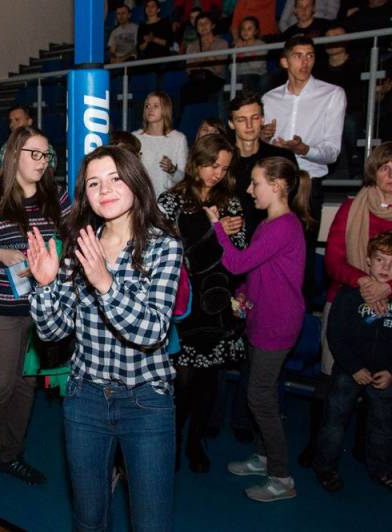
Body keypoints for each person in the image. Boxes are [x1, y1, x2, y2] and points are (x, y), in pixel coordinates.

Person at [28, 145, 182, 532]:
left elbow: (153, 331)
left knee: (151, 523)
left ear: (135, 182)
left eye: (115, 178)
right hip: (86, 398)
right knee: (88, 519)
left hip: (146, 400)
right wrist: (45, 286)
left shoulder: (163, 245)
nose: (105, 189)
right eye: (94, 183)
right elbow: (53, 331)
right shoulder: (80, 246)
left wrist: (105, 283)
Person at [205, 156, 312, 502]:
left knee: (260, 398)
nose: (250, 190)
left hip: (277, 325)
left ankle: (281, 478)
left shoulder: (283, 226)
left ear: (277, 186)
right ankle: (265, 456)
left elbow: (237, 262)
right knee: (260, 393)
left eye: (256, 183)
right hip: (261, 319)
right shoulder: (270, 223)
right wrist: (243, 292)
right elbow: (256, 270)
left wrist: (217, 227)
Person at [0, 126, 71, 487]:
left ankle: (10, 455)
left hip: (43, 311)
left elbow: (73, 240)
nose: (43, 162)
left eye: (47, 155)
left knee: (27, 386)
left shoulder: (57, 197)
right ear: (15, 154)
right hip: (1, 308)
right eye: (35, 154)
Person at [297, 142, 392, 466]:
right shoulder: (352, 207)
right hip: (346, 304)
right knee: (331, 379)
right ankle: (317, 446)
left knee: (380, 383)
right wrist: (365, 282)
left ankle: (369, 450)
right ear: (374, 170)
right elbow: (334, 261)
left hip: (389, 310)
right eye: (385, 168)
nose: (390, 175)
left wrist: (387, 288)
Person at [158, 134, 246, 473]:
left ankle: (196, 442)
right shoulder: (171, 200)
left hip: (216, 301)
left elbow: (239, 256)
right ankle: (172, 441)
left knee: (209, 382)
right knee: (181, 383)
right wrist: (212, 230)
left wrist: (225, 234)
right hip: (183, 302)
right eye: (212, 165)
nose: (217, 174)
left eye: (224, 168)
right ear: (196, 163)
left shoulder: (230, 202)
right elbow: (164, 252)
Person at [261, 35, 346, 306]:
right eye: (298, 55)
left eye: (310, 55)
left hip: (308, 183)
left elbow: (332, 151)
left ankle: (301, 313)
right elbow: (261, 147)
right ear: (285, 61)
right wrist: (263, 138)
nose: (305, 61)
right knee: (268, 251)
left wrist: (303, 149)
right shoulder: (269, 98)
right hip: (274, 184)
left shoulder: (332, 94)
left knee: (302, 256)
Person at [314, 231, 392, 493]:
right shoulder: (349, 295)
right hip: (349, 370)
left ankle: (381, 469)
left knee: (383, 424)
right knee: (335, 420)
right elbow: (335, 335)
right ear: (368, 261)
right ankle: (326, 467)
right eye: (380, 260)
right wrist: (354, 367)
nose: (385, 267)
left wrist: (391, 371)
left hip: (384, 374)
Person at [228, 92, 297, 241]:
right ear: (231, 124)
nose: (249, 125)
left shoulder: (281, 157)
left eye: (255, 118)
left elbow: (292, 203)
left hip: (272, 237)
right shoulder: (222, 161)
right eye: (241, 120)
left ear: (263, 119)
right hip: (230, 239)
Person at [316, 25, 365, 181]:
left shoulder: (358, 65)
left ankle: (356, 166)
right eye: (329, 37)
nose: (333, 41)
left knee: (348, 122)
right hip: (324, 114)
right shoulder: (318, 69)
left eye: (337, 36)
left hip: (352, 112)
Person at [134, 91, 188, 195]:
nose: (150, 109)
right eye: (147, 106)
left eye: (155, 106)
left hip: (166, 199)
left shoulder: (178, 139)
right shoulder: (135, 137)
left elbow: (183, 179)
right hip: (141, 197)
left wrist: (172, 169)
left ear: (165, 109)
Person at [181, 12, 229, 109]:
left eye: (206, 23)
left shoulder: (222, 43)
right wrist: (207, 58)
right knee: (185, 90)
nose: (203, 26)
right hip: (196, 78)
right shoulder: (191, 46)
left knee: (204, 89)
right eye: (200, 24)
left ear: (213, 25)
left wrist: (202, 58)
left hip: (215, 79)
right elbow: (189, 69)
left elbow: (220, 69)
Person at [0, 106, 57, 173]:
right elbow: (1, 173)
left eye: (17, 120)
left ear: (29, 122)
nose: (12, 125)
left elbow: (48, 174)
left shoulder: (43, 146)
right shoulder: (6, 146)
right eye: (10, 121)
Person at [234, 16, 267, 95]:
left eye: (249, 29)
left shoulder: (261, 45)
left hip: (255, 75)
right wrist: (236, 51)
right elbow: (232, 68)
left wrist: (244, 50)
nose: (245, 31)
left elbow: (256, 65)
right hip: (239, 76)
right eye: (243, 28)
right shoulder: (237, 46)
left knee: (247, 80)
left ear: (256, 31)